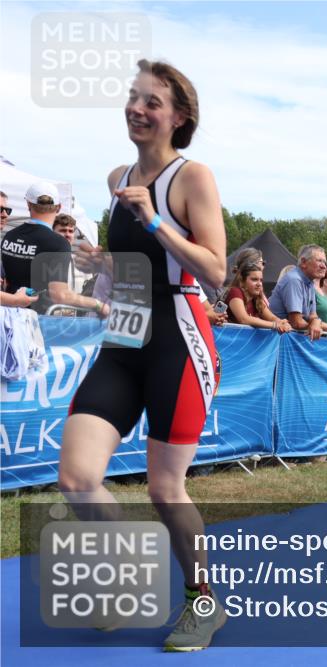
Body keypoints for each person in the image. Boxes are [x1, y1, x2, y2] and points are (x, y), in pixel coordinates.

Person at [59, 60, 227, 651]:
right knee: (78, 477)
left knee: (164, 489)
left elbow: (214, 270)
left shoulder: (192, 177)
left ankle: (201, 600)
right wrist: (95, 260)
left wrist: (154, 219)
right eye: (133, 98)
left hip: (179, 338)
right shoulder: (116, 177)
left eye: (151, 102)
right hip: (125, 334)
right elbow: (132, 268)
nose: (137, 109)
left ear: (178, 117)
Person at [1, 182, 107, 315]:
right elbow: (60, 295)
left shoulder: (10, 236)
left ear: (28, 204)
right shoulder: (58, 243)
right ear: (58, 207)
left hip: (9, 316)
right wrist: (98, 305)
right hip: (40, 321)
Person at [269, 245, 327, 341]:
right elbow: (296, 322)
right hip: (275, 342)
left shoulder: (309, 283)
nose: (324, 266)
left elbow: (313, 317)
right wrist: (315, 325)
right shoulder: (294, 280)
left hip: (285, 341)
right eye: (319, 261)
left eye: (325, 262)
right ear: (303, 262)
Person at [224, 260, 291, 332]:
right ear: (242, 281)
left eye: (261, 280)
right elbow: (244, 319)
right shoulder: (235, 291)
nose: (259, 284)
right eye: (254, 279)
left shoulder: (256, 297)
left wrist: (281, 322)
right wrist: (275, 325)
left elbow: (271, 317)